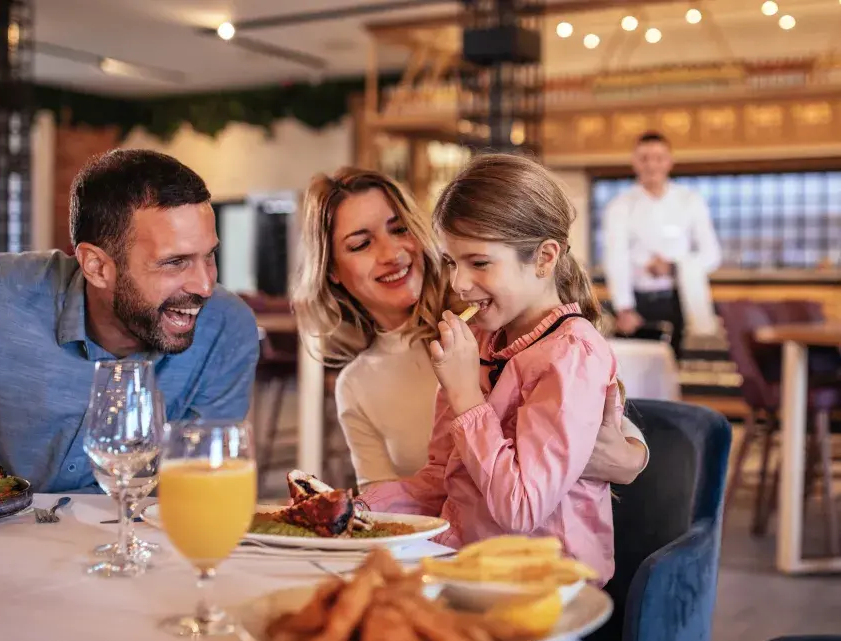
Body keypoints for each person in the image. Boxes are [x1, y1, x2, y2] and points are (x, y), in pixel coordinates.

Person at [0, 149, 259, 493]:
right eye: (176, 262)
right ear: (96, 266)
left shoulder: (226, 328)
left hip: (129, 548)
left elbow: (203, 484)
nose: (206, 284)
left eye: (209, 255)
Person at [292, 167, 647, 495]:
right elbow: (389, 508)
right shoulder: (355, 384)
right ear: (332, 271)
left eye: (399, 229)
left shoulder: (493, 322)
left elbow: (614, 439)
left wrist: (628, 456)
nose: (391, 252)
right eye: (361, 244)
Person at [359, 154, 622, 583]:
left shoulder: (571, 354)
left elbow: (521, 507)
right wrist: (356, 506)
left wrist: (466, 395)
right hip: (462, 567)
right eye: (450, 262)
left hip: (542, 586)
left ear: (544, 258)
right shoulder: (482, 340)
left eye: (479, 263)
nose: (458, 284)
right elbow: (441, 481)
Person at [603, 131, 722, 358]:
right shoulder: (620, 205)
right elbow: (615, 258)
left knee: (673, 374)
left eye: (658, 158)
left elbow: (712, 254)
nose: (651, 165)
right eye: (644, 158)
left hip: (680, 300)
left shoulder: (690, 200)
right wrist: (624, 308)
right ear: (635, 162)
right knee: (634, 374)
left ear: (669, 161)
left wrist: (673, 267)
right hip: (638, 302)